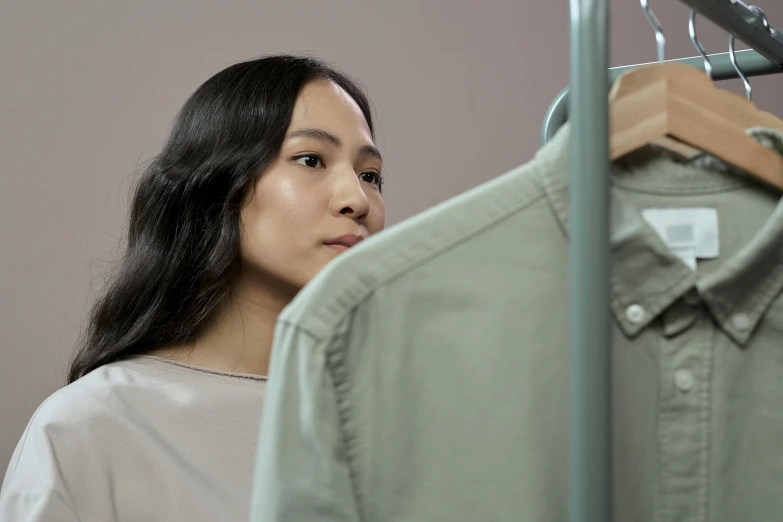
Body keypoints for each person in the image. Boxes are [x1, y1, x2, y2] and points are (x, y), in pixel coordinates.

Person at [0, 54, 386, 521]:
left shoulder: (403, 419)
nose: (356, 200)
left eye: (370, 175)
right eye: (311, 160)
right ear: (219, 185)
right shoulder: (92, 426)